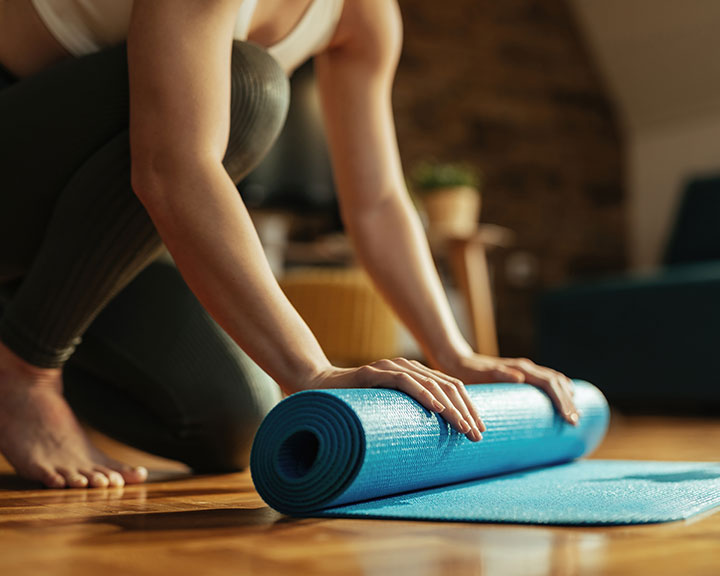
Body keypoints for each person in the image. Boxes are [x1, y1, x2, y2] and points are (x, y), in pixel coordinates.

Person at [0, 0, 578, 490]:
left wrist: (454, 353)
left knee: (233, 423)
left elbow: (376, 200)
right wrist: (310, 370)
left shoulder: (365, 15)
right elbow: (172, 168)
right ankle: (24, 371)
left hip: (75, 236)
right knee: (248, 88)